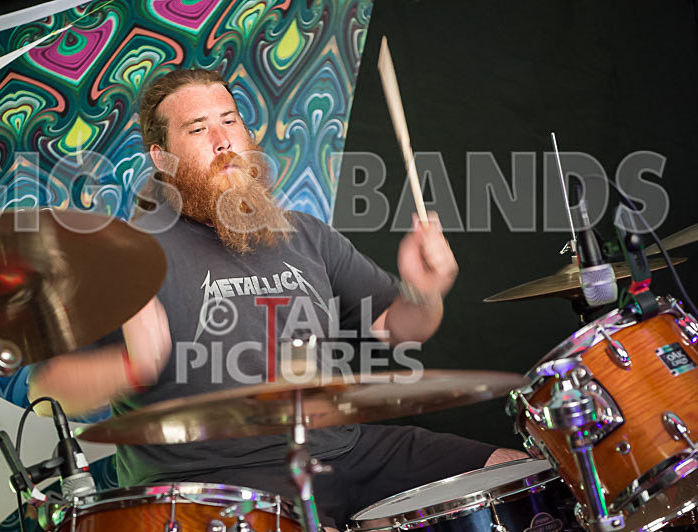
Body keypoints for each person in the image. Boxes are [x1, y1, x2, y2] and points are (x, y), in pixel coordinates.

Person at [28, 68, 526, 529]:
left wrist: (424, 289)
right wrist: (132, 367)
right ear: (162, 158)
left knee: (518, 477)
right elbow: (48, 394)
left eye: (230, 121)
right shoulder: (126, 255)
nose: (223, 142)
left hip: (346, 449)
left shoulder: (305, 234)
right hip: (221, 485)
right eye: (198, 129)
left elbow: (400, 328)